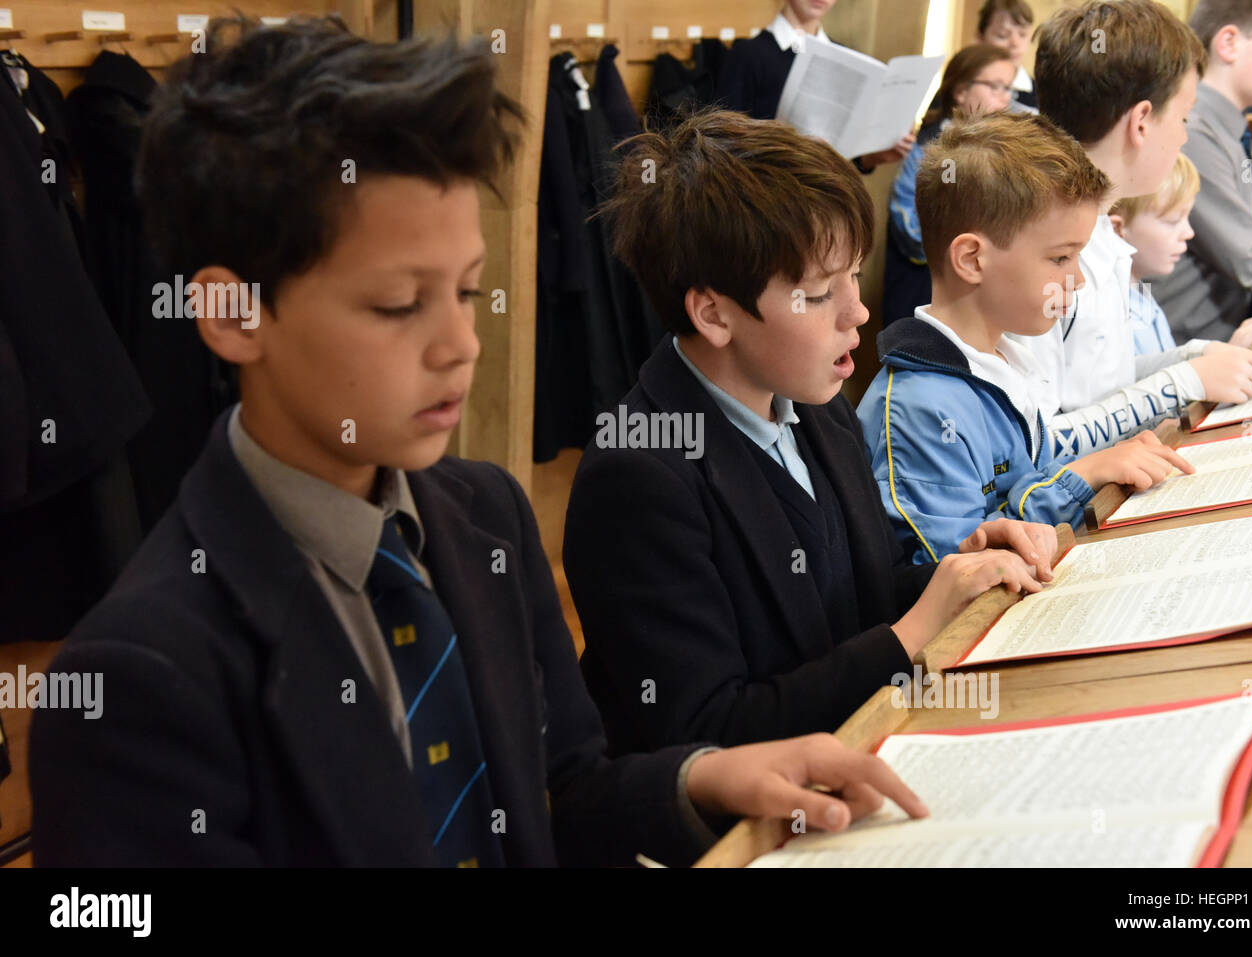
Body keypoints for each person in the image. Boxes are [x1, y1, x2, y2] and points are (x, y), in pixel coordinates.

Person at [28, 17, 930, 868]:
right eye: (396, 305)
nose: (460, 344)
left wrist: (699, 778)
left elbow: (560, 791)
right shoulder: (142, 675)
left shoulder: (482, 516)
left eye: (463, 292)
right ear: (233, 313)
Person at [563, 108, 1057, 756]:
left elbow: (857, 601)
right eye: (821, 292)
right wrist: (914, 633)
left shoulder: (816, 403)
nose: (859, 310)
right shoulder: (639, 475)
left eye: (854, 276)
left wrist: (960, 567)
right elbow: (712, 734)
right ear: (714, 313)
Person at [859, 113, 1193, 563]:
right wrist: (1083, 475)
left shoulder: (1006, 360)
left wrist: (1102, 466)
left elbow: (1027, 484)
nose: (1077, 279)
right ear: (972, 259)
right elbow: (951, 571)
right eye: (1060, 258)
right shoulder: (920, 407)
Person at [1014, 0, 1252, 459]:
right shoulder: (1046, 250)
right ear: (1140, 122)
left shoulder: (1101, 234)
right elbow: (1037, 440)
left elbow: (1100, 383)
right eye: (1183, 117)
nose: (1184, 137)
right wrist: (1182, 383)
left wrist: (1197, 358)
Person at [1150, 0, 1252, 341]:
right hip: (1190, 356)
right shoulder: (1191, 132)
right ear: (1229, 43)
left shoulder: (1234, 131)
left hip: (1241, 338)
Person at [882, 43, 1015, 326]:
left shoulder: (1002, 153)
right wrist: (961, 248)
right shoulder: (929, 149)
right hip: (923, 289)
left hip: (977, 292)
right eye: (995, 86)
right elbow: (907, 223)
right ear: (961, 91)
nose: (1005, 98)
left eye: (1009, 89)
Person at [1110, 153, 1252, 357]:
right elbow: (1150, 387)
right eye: (1173, 221)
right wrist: (1226, 355)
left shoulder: (1140, 294)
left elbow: (1164, 374)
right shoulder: (1112, 316)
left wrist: (1232, 349)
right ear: (1117, 229)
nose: (1189, 233)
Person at [716, 0, 914, 170]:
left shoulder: (844, 58)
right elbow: (725, 145)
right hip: (770, 199)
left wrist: (871, 158)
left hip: (829, 197)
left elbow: (844, 157)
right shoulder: (747, 54)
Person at [976, 0, 1038, 112]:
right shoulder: (963, 84)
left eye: (1022, 34)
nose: (1015, 43)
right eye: (1002, 35)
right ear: (980, 37)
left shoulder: (1039, 93)